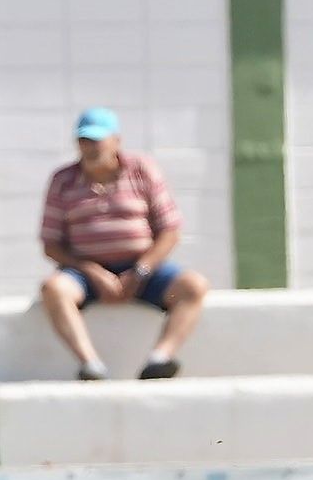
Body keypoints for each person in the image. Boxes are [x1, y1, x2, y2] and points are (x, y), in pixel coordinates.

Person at [38, 107, 209, 381]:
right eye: (84, 141)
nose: (90, 148)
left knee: (193, 286)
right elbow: (51, 243)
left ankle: (160, 358)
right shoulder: (63, 180)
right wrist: (92, 270)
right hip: (85, 273)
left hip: (144, 269)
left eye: (97, 140)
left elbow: (170, 230)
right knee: (54, 289)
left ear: (116, 140)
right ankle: (90, 364)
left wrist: (141, 270)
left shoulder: (142, 171)